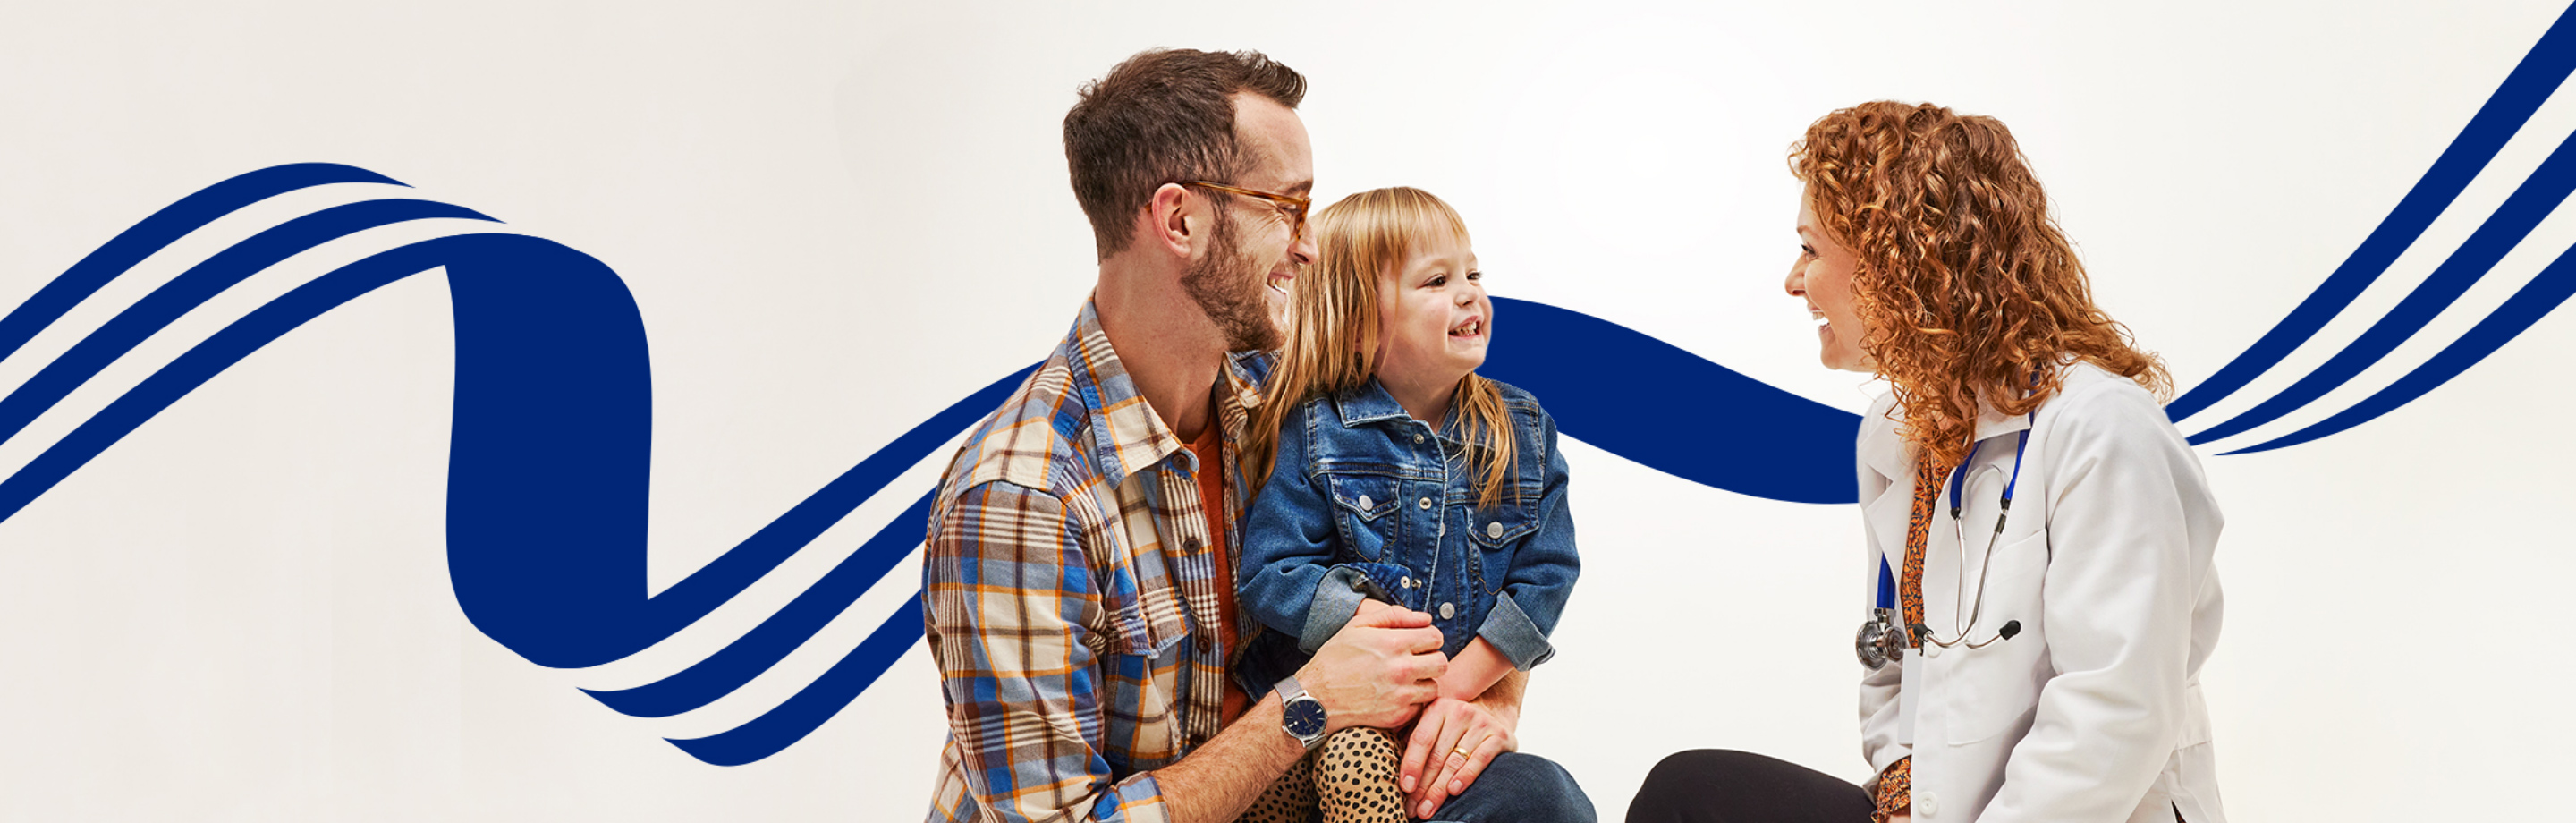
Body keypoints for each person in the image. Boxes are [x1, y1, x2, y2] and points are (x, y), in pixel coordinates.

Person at [920, 49, 1578, 823]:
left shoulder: (1296, 393)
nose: (1308, 247)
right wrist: (1312, 703)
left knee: (1541, 800)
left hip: (1318, 792)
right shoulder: (1021, 498)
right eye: (1287, 208)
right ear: (1181, 221)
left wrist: (1487, 701)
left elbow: (1497, 545)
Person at [1628, 101, 2226, 823]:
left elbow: (2114, 718)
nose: (1794, 281)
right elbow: (1894, 673)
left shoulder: (2101, 430)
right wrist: (1901, 784)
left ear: (1896, 260)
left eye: (1812, 250)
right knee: (1691, 795)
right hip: (1938, 812)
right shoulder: (1896, 432)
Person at [1230, 187, 1589, 823]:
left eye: (1472, 273)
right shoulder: (1316, 432)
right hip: (1337, 714)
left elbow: (1547, 576)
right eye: (1436, 281)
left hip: (1445, 716)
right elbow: (1273, 572)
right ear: (1360, 322)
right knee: (1348, 761)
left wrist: (1457, 685)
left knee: (1550, 797)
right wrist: (1377, 640)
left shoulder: (1522, 430)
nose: (1469, 293)